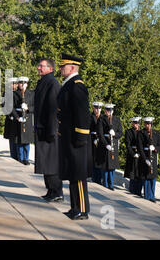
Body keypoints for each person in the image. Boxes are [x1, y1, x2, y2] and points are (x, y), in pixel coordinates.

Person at [57, 53, 92, 220]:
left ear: (72, 67)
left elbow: (83, 114)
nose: (61, 69)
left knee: (78, 175)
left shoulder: (77, 86)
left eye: (63, 66)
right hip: (68, 137)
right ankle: (74, 207)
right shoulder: (68, 85)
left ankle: (82, 210)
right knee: (72, 173)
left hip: (77, 139)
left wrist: (81, 137)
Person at [33, 58, 63, 202]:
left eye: (42, 66)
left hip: (49, 129)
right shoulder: (44, 82)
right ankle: (51, 190)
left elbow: (52, 109)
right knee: (45, 162)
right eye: (39, 65)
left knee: (51, 162)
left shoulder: (52, 83)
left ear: (50, 69)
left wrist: (52, 130)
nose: (38, 68)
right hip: (42, 128)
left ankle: (57, 191)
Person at [96, 103, 123, 190]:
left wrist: (115, 134)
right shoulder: (101, 119)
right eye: (107, 110)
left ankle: (111, 184)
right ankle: (105, 183)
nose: (109, 112)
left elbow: (120, 133)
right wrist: (106, 144)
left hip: (113, 145)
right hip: (105, 145)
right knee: (105, 166)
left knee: (112, 166)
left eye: (110, 110)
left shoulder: (117, 119)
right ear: (105, 111)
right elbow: (100, 133)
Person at [137, 117, 160, 202]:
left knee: (153, 176)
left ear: (151, 124)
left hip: (153, 157)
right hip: (145, 157)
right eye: (146, 124)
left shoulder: (156, 133)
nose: (147, 125)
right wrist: (145, 159)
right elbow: (140, 147)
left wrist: (155, 148)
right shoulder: (141, 133)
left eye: (149, 124)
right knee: (146, 176)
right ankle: (148, 195)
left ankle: (152, 195)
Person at [14, 77, 35, 165]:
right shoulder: (14, 94)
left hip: (28, 118)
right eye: (20, 83)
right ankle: (21, 157)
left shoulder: (31, 94)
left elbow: (35, 106)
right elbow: (11, 107)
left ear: (27, 84)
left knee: (27, 140)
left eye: (24, 83)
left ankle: (26, 158)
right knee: (20, 139)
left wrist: (27, 108)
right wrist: (17, 117)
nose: (22, 85)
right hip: (19, 117)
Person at [124, 117, 143, 196]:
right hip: (132, 154)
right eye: (134, 123)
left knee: (139, 172)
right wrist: (133, 153)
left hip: (140, 154)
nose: (136, 124)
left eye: (137, 123)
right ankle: (132, 189)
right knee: (132, 172)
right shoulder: (128, 132)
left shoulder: (142, 132)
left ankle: (138, 191)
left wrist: (140, 153)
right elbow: (127, 145)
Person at [3, 77, 21, 161]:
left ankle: (18, 155)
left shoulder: (19, 93)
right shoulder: (6, 93)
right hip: (10, 118)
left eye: (15, 84)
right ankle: (13, 155)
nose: (14, 86)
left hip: (17, 118)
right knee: (11, 137)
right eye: (12, 84)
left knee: (17, 138)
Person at [90, 102, 103, 184]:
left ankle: (99, 178)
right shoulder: (90, 117)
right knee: (92, 158)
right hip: (92, 139)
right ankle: (92, 176)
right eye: (96, 108)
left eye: (99, 108)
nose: (97, 110)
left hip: (101, 140)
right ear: (93, 108)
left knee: (99, 159)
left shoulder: (103, 118)